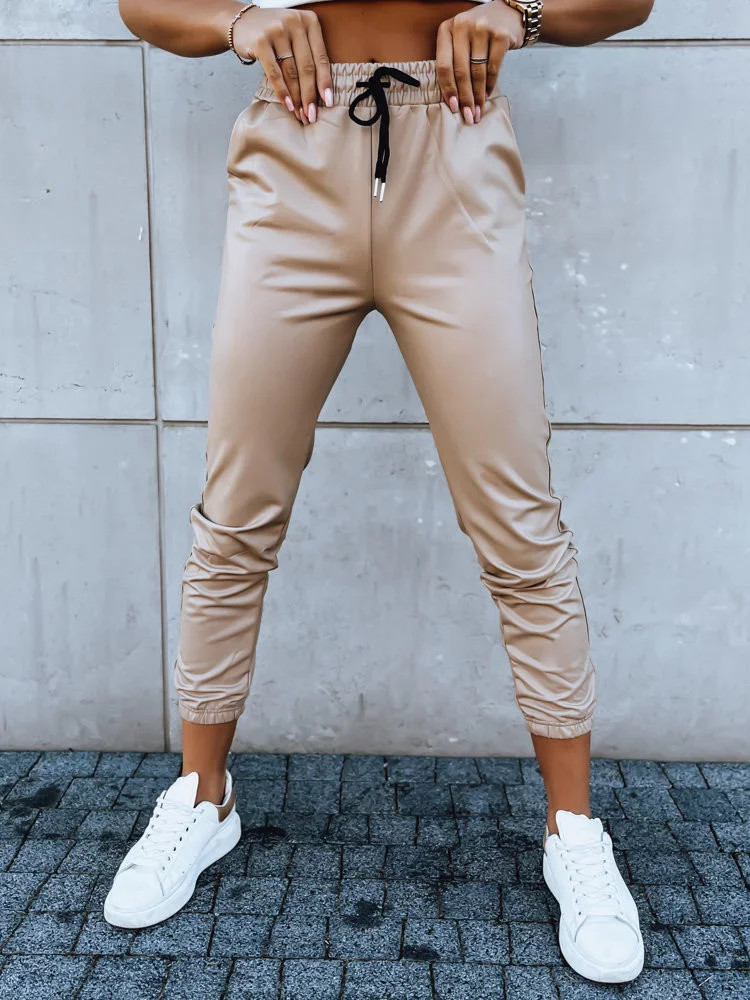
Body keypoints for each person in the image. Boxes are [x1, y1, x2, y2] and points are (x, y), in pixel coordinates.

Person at [105, 0, 653, 983]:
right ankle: (200, 797)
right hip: (295, 150)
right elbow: (141, 4)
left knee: (519, 524)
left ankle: (573, 828)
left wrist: (521, 13)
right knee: (236, 512)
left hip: (457, 150)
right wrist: (238, 22)